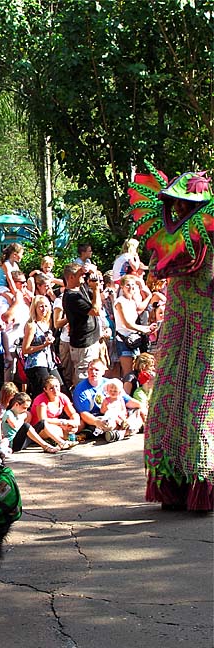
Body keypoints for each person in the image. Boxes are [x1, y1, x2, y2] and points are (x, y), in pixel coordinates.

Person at [129, 166, 214, 511]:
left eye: (185, 205)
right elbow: (155, 271)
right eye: (176, 205)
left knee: (198, 406)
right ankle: (174, 483)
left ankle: (198, 483)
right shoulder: (170, 239)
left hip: (205, 334)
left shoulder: (208, 239)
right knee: (169, 404)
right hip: (178, 333)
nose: (178, 211)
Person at [72, 358, 141, 437]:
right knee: (110, 424)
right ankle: (124, 432)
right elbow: (84, 414)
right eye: (90, 369)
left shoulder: (111, 383)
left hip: (119, 414)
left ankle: (121, 432)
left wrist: (142, 405)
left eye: (96, 370)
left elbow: (127, 400)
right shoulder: (80, 389)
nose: (93, 372)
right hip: (98, 418)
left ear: (103, 372)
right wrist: (96, 421)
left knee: (140, 411)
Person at [62, 262, 102, 385]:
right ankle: (81, 400)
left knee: (92, 374)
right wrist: (96, 289)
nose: (83, 278)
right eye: (80, 275)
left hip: (91, 341)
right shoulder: (71, 296)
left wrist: (91, 271)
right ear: (71, 277)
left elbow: (93, 275)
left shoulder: (79, 288)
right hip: (83, 345)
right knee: (84, 376)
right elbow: (96, 311)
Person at [113, 275, 157, 377]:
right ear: (122, 287)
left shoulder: (132, 302)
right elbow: (126, 323)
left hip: (134, 340)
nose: (131, 287)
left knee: (136, 372)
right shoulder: (120, 302)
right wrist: (144, 329)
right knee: (128, 374)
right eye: (127, 285)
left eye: (133, 285)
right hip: (123, 341)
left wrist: (148, 328)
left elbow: (141, 308)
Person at [21, 295, 61, 399]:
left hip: (49, 361)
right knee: (42, 392)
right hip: (36, 363)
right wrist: (43, 345)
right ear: (35, 308)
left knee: (59, 386)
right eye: (41, 307)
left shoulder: (46, 323)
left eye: (46, 306)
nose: (44, 309)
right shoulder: (31, 325)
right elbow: (25, 349)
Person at [29, 375, 80, 448]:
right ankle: (62, 441)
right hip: (42, 428)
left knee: (80, 423)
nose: (55, 390)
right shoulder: (41, 400)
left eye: (57, 386)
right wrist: (62, 422)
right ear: (45, 390)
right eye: (51, 388)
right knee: (58, 430)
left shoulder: (62, 397)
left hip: (58, 424)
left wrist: (75, 422)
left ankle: (66, 436)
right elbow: (42, 421)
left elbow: (73, 413)